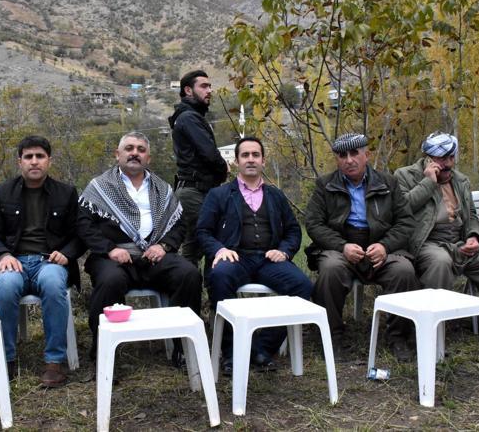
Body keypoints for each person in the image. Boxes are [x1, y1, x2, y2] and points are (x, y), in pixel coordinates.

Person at [78, 132, 202, 361]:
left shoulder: (162, 189)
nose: (135, 153)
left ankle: (183, 347)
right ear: (117, 154)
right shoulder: (99, 187)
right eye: (129, 148)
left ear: (148, 158)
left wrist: (164, 246)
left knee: (189, 274)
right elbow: (84, 225)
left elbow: (179, 224)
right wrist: (110, 249)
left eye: (141, 150)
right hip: (113, 257)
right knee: (110, 281)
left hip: (154, 256)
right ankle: (104, 353)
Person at [395, 132, 479, 347]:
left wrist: (473, 236)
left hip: (459, 242)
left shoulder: (460, 179)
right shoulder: (405, 175)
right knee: (439, 262)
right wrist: (428, 182)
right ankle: (431, 334)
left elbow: (471, 216)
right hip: (427, 242)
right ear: (428, 158)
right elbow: (403, 209)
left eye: (451, 158)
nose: (448, 164)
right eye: (442, 159)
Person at [197, 137, 312, 373]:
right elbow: (203, 231)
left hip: (268, 259)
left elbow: (293, 230)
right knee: (219, 277)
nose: (251, 159)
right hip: (235, 258)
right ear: (236, 161)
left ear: (263, 161)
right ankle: (231, 352)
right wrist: (220, 249)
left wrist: (284, 251)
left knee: (302, 286)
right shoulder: (219, 194)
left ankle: (261, 348)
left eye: (255, 155)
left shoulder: (276, 195)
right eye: (245, 155)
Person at [305, 134, 420, 360]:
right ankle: (332, 337)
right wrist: (342, 246)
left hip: (380, 246)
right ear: (337, 160)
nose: (349, 160)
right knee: (330, 270)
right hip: (342, 247)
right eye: (342, 155)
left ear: (366, 155)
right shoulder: (325, 185)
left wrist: (385, 246)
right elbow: (314, 223)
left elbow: (406, 221)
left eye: (354, 153)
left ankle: (398, 337)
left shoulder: (388, 183)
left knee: (403, 271)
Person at [0, 136, 83, 387]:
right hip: (13, 261)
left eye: (40, 156)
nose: (34, 161)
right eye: (28, 157)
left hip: (48, 262)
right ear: (20, 162)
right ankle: (4, 360)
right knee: (6, 287)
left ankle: (54, 362)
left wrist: (67, 253)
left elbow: (80, 235)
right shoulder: (2, 192)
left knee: (53, 283)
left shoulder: (66, 193)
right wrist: (3, 255)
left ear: (49, 160)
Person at [168, 70, 228, 267]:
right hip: (194, 191)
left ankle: (201, 285)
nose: (209, 90)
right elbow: (209, 153)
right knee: (202, 245)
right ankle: (194, 285)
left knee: (198, 246)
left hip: (198, 190)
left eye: (210, 86)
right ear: (188, 90)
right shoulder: (188, 118)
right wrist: (224, 169)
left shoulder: (191, 116)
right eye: (203, 86)